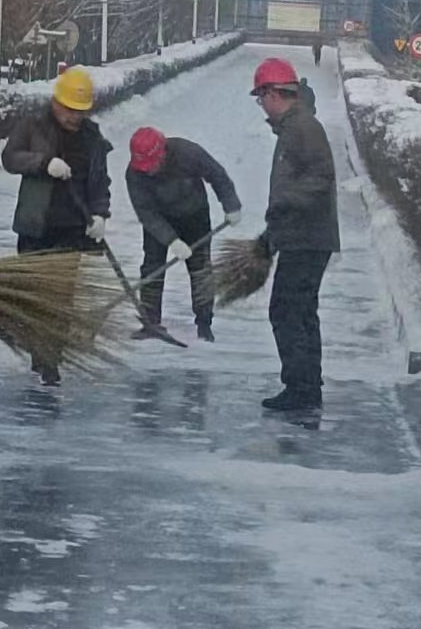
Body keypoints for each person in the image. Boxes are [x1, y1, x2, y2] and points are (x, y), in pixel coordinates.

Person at [0, 67, 112, 384]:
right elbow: (10, 158)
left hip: (72, 230)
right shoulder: (34, 125)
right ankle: (37, 348)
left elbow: (100, 182)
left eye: (81, 111)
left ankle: (50, 360)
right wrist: (43, 163)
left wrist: (100, 215)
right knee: (34, 297)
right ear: (56, 102)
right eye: (70, 109)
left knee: (60, 298)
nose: (75, 117)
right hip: (36, 227)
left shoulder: (92, 138)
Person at [251, 55, 339, 417]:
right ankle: (307, 386)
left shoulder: (303, 128)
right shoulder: (295, 127)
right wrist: (271, 235)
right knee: (300, 311)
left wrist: (284, 204)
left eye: (261, 97)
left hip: (308, 238)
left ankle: (300, 389)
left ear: (274, 93)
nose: (261, 105)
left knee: (287, 311)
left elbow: (320, 179)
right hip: (302, 236)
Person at [125, 127, 243, 343]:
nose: (148, 171)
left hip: (194, 215)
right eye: (145, 167)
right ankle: (150, 321)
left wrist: (231, 204)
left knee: (200, 268)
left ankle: (204, 324)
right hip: (159, 219)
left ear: (162, 152)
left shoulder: (188, 153)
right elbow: (146, 212)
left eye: (152, 165)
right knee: (152, 268)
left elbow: (217, 176)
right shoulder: (134, 173)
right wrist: (171, 240)